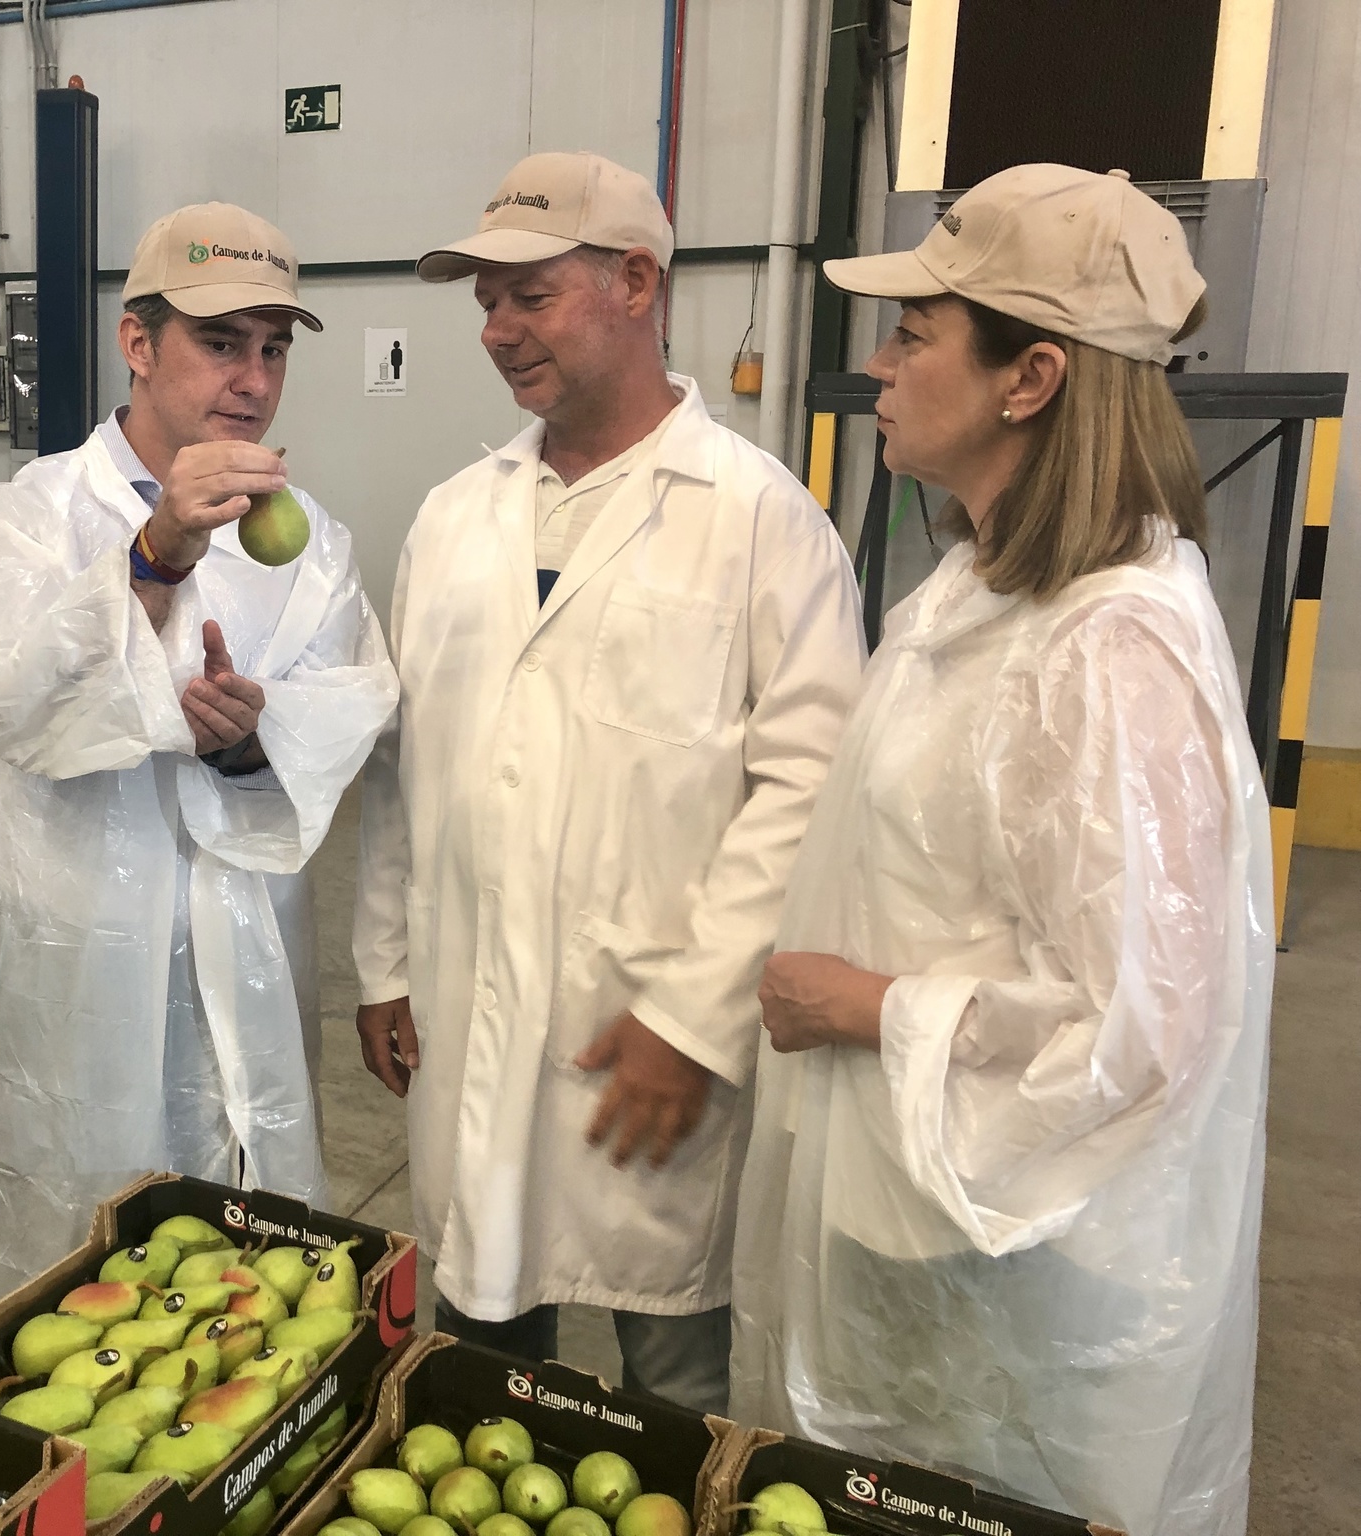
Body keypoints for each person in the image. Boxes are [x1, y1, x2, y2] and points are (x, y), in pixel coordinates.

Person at [729, 165, 1268, 1536]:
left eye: (916, 334)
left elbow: (1141, 1028)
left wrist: (866, 1005)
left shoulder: (1108, 649)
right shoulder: (981, 587)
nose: (882, 364)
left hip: (1019, 1268)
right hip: (919, 1221)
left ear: (1029, 379)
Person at [352, 152, 864, 1411]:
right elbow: (400, 761)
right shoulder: (452, 519)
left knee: (667, 1384)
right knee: (477, 1360)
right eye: (484, 301)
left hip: (645, 1029)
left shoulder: (759, 520)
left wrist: (695, 1021)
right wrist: (382, 959)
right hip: (468, 997)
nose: (494, 331)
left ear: (635, 281)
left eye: (528, 296)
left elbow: (806, 793)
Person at [0, 203, 399, 1307]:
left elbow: (348, 710)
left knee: (248, 1265)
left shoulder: (311, 544)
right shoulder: (37, 514)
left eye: (273, 348)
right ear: (137, 344)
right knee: (81, 1243)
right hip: (81, 947)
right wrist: (152, 558)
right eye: (219, 341)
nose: (250, 378)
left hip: (244, 942)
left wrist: (252, 743)